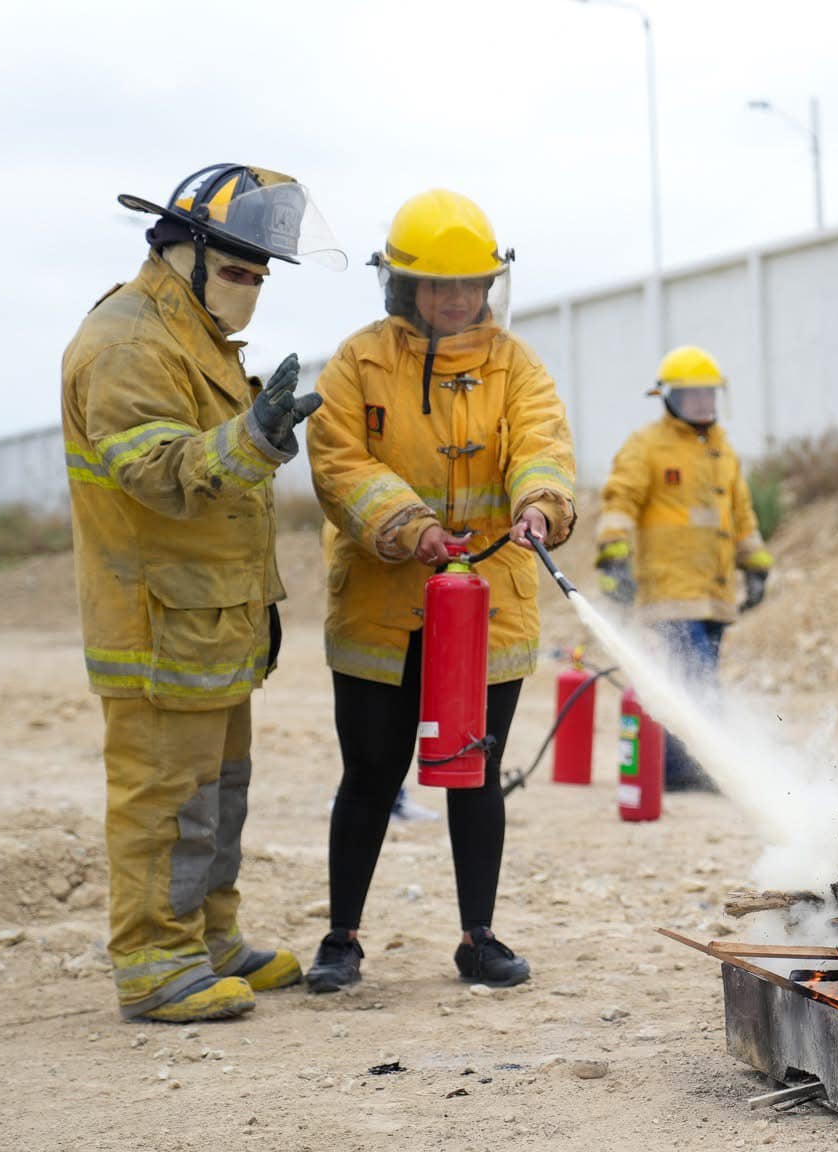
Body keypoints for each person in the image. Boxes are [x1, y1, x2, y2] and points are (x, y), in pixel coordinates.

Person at [62, 163, 343, 1022]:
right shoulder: (128, 344)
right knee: (164, 801)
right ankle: (154, 960)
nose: (251, 291)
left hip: (212, 621)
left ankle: (207, 939)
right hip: (158, 624)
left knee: (218, 795)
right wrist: (254, 438)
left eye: (260, 276)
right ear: (179, 249)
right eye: (237, 272)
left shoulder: (194, 335)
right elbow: (156, 472)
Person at [303, 189, 575, 993]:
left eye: (471, 284)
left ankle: (479, 938)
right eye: (439, 285)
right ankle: (341, 938)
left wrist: (540, 505)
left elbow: (542, 444)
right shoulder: (357, 363)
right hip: (382, 606)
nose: (458, 299)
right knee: (370, 772)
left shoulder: (517, 366)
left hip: (488, 603)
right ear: (403, 287)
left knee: (475, 771)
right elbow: (339, 462)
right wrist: (408, 525)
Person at [595, 345, 773, 791]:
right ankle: (694, 767)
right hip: (670, 589)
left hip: (713, 592)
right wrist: (613, 557)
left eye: (708, 395)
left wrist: (755, 565)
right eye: (692, 396)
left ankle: (676, 768)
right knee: (694, 677)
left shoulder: (722, 451)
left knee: (696, 677)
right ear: (668, 397)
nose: (702, 404)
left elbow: (742, 517)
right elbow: (620, 501)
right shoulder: (647, 446)